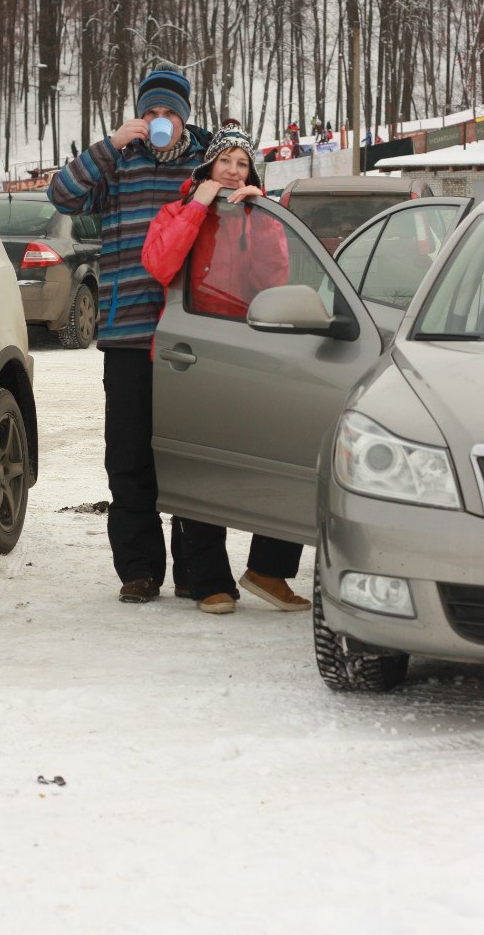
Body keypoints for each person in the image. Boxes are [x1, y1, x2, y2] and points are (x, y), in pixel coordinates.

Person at [48, 63, 211, 604]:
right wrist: (110, 144)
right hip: (127, 334)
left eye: (170, 113)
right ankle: (139, 570)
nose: (160, 120)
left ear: (185, 117)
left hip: (191, 338)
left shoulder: (205, 164)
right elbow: (62, 196)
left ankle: (195, 569)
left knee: (189, 456)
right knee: (128, 456)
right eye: (151, 112)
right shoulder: (118, 163)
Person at [142, 121, 309, 616]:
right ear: (208, 166)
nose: (234, 171)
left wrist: (262, 217)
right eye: (225, 161)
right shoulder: (175, 211)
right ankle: (207, 581)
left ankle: (269, 570)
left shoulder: (257, 215)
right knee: (202, 468)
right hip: (192, 354)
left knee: (283, 459)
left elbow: (273, 281)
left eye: (242, 164)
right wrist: (198, 207)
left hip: (251, 354)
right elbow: (161, 265)